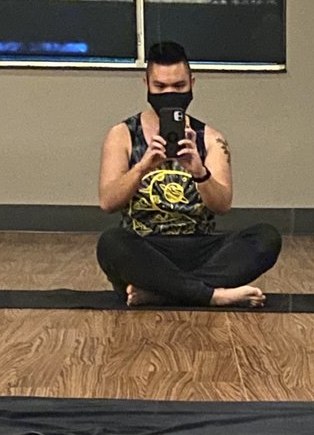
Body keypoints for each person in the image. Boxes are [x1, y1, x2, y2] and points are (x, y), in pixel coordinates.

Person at [96, 41, 282, 307]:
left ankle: (163, 293)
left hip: (200, 247)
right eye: (160, 87)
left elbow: (222, 206)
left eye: (178, 86)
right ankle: (211, 294)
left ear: (192, 84)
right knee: (111, 243)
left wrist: (199, 171)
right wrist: (142, 167)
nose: (169, 93)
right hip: (146, 248)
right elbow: (108, 202)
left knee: (266, 237)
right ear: (146, 84)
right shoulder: (122, 134)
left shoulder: (211, 139)